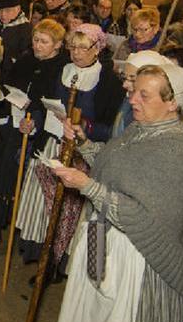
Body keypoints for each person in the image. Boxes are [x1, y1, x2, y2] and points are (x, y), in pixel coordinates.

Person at [48, 63, 183, 322]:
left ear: (172, 103)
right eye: (134, 92)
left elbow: (144, 218)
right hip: (108, 242)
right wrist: (84, 144)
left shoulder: (181, 152)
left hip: (139, 261)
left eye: (144, 95)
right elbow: (115, 166)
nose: (133, 100)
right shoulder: (141, 129)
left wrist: (87, 186)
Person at [12, 24, 126, 273]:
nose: (76, 53)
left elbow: (112, 129)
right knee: (41, 203)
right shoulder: (61, 70)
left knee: (67, 208)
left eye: (83, 48)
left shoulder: (108, 82)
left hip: (82, 151)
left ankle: (57, 261)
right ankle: (38, 251)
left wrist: (84, 126)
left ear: (97, 49)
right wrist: (32, 123)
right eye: (73, 47)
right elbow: (43, 104)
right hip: (52, 142)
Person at [0, 19, 71, 247]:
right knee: (3, 176)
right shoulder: (26, 60)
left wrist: (35, 122)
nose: (37, 45)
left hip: (41, 134)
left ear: (57, 44)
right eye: (35, 40)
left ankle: (24, 234)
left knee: (28, 184)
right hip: (14, 126)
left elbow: (56, 105)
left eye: (44, 42)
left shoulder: (62, 68)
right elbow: (7, 88)